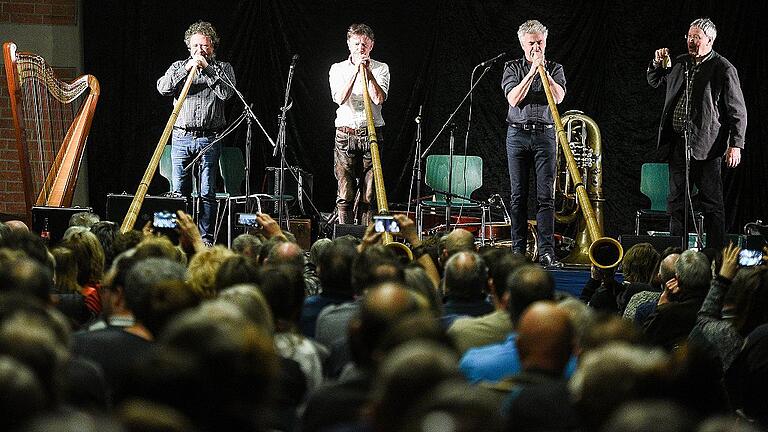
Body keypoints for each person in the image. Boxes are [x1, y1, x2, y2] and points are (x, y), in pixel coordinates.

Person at [647, 18, 747, 250]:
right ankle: (675, 254)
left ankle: (714, 256)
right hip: (678, 145)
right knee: (676, 203)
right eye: (689, 37)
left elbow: (737, 110)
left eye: (696, 38)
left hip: (707, 147)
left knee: (712, 205)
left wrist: (736, 144)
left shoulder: (723, 68)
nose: (691, 42)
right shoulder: (681, 63)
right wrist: (656, 63)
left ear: (710, 40)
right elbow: (654, 81)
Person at [157, 20, 235, 245]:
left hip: (210, 138)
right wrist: (186, 68)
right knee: (178, 191)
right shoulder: (178, 66)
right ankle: (176, 239)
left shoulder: (223, 69)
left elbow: (226, 93)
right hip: (181, 136)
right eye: (195, 47)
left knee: (207, 192)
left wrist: (208, 70)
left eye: (205, 46)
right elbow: (163, 88)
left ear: (213, 47)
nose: (200, 51)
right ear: (188, 47)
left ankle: (205, 239)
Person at [501, 20, 566, 267]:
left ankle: (546, 252)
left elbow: (558, 97)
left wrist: (544, 71)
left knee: (545, 197)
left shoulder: (556, 68)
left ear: (546, 42)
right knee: (518, 196)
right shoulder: (512, 68)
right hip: (517, 135)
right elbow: (514, 99)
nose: (536, 48)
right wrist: (531, 71)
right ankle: (518, 250)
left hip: (546, 136)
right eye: (531, 43)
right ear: (522, 44)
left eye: (540, 42)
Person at [328, 23, 390, 225]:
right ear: (348, 44)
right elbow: (339, 98)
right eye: (356, 43)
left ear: (371, 46)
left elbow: (379, 99)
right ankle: (344, 237)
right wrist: (356, 71)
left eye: (364, 44)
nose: (360, 48)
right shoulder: (337, 69)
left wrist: (368, 72)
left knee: (369, 193)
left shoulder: (381, 68)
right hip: (346, 135)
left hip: (372, 135)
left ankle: (365, 241)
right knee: (345, 191)